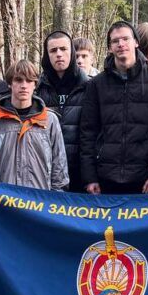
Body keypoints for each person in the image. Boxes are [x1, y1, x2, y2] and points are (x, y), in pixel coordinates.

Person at [79, 21, 148, 195]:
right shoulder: (96, 85)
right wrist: (90, 177)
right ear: (109, 48)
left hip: (144, 179)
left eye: (125, 39)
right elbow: (87, 133)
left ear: (136, 42)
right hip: (105, 178)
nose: (121, 44)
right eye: (115, 41)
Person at [0, 59, 68, 190]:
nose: (24, 85)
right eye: (18, 80)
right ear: (10, 83)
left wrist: (55, 200)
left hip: (39, 203)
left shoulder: (50, 120)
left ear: (35, 84)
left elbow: (59, 168)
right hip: (2, 201)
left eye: (29, 81)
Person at [37, 30, 88, 191]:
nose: (59, 54)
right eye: (53, 50)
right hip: (46, 171)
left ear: (72, 52)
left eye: (63, 49)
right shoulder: (37, 89)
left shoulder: (89, 87)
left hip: (81, 172)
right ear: (47, 55)